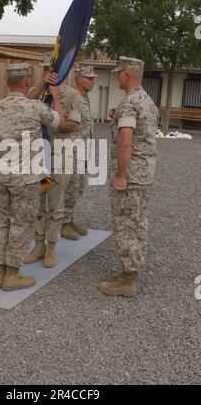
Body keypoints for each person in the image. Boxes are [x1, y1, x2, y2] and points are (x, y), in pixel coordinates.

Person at [0, 62, 64, 291]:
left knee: (0, 223)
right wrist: (56, 96)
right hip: (24, 179)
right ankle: (13, 275)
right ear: (27, 81)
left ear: (7, 82)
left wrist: (41, 84)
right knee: (20, 224)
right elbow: (58, 122)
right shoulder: (35, 108)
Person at [98, 56, 159, 297]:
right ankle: (128, 273)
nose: (116, 76)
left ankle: (129, 279)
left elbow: (126, 141)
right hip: (144, 173)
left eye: (119, 73)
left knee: (125, 224)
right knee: (138, 221)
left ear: (127, 74)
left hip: (131, 176)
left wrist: (121, 176)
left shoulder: (130, 103)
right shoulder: (145, 100)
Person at [25, 69, 82, 268]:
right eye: (47, 70)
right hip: (39, 157)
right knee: (39, 201)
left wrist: (56, 96)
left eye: (55, 70)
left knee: (55, 202)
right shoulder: (37, 91)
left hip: (59, 157)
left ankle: (51, 247)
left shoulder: (72, 95)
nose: (51, 74)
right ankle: (38, 244)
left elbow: (69, 126)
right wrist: (42, 86)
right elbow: (23, 106)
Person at [61, 65, 97, 239]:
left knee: (78, 187)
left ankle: (70, 218)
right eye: (89, 78)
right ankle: (62, 223)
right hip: (73, 150)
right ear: (79, 79)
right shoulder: (72, 98)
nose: (93, 82)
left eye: (93, 78)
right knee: (70, 186)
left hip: (84, 149)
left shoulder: (86, 99)